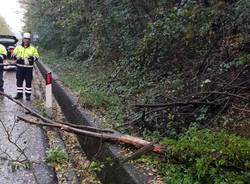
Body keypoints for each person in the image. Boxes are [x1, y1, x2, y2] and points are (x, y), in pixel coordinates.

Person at [13, 33, 39, 100]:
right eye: (25, 39)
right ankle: (19, 94)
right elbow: (13, 55)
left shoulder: (33, 49)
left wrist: (32, 58)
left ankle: (28, 95)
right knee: (19, 81)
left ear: (29, 40)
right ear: (23, 39)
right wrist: (16, 57)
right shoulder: (18, 47)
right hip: (20, 68)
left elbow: (37, 57)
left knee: (28, 82)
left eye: (27, 39)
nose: (26, 40)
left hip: (28, 69)